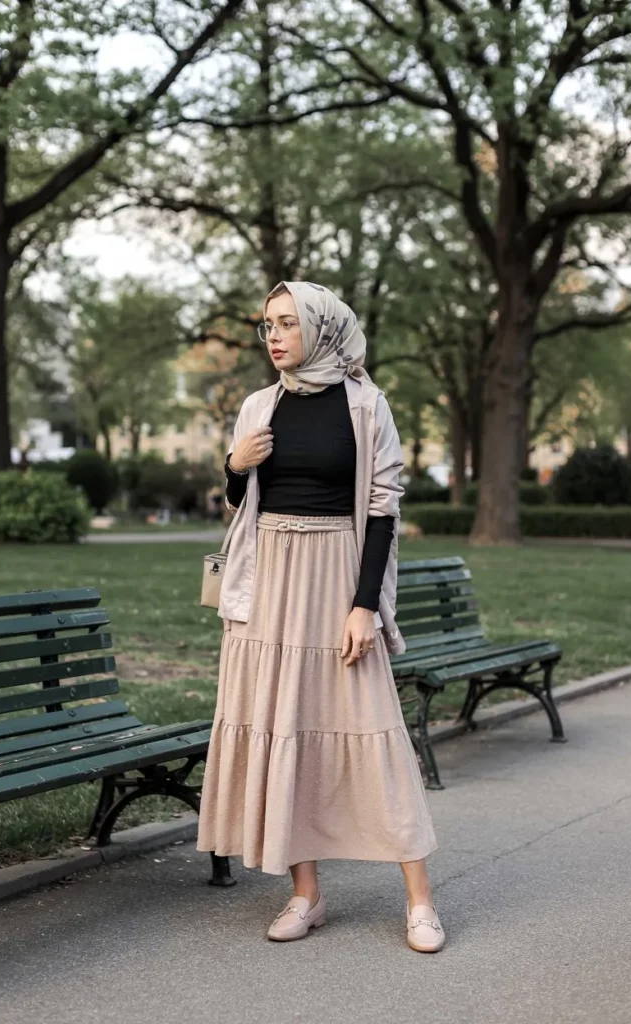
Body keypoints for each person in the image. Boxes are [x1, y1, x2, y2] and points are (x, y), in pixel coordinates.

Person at [197, 281, 444, 953]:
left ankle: (419, 901)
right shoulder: (258, 404)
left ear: (322, 329)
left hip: (336, 574)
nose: (273, 336)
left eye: (287, 323)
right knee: (284, 726)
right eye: (266, 326)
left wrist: (363, 605)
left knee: (372, 729)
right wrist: (233, 466)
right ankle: (304, 892)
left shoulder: (365, 405)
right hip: (267, 581)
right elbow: (238, 506)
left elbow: (381, 507)